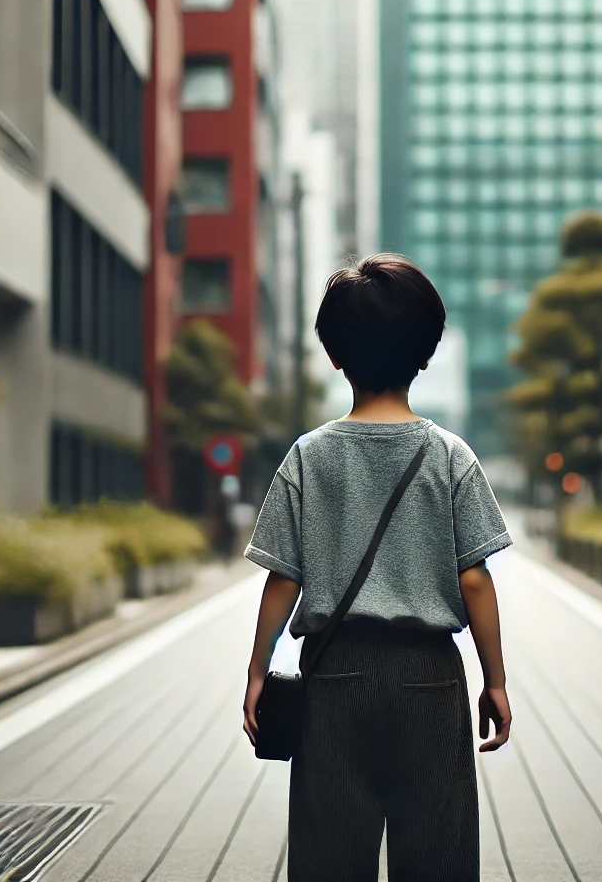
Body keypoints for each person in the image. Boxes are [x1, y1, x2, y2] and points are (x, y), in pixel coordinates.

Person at [241, 253, 512, 882]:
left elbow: (283, 579)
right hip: (432, 679)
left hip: (333, 678)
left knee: (331, 857)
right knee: (437, 856)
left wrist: (258, 670)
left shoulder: (307, 457)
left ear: (336, 356)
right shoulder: (451, 456)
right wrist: (494, 681)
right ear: (425, 351)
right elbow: (475, 578)